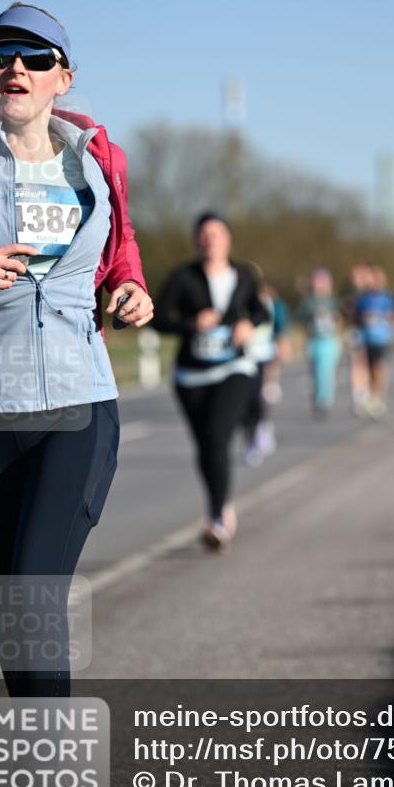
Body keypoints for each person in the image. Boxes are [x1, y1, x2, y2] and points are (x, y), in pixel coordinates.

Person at [0, 3, 153, 787]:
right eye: (0, 56)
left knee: (34, 589)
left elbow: (122, 247)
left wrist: (128, 288)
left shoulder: (97, 157)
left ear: (64, 77)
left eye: (33, 57)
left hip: (77, 403)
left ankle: (41, 783)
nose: (13, 69)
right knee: (8, 603)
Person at [151, 212, 270, 550]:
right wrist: (191, 323)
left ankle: (217, 518)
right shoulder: (183, 276)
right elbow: (157, 319)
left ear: (228, 239)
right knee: (206, 446)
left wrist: (248, 323)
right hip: (191, 375)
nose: (211, 239)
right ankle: (219, 503)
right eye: (204, 234)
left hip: (233, 368)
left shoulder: (244, 275)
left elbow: (263, 311)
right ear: (197, 241)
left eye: (217, 233)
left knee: (218, 436)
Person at [241, 280, 290, 466]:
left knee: (256, 398)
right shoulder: (237, 303)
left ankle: (260, 431)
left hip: (261, 356)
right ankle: (251, 434)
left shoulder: (268, 305)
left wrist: (282, 345)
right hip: (239, 359)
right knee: (241, 403)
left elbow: (277, 327)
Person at [297, 267, 343, 417]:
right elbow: (300, 319)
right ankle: (317, 398)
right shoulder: (308, 302)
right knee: (315, 372)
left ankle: (325, 401)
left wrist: (334, 318)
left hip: (329, 340)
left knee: (326, 370)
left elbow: (342, 319)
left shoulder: (334, 301)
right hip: (313, 339)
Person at [353, 264, 394, 418]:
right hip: (367, 337)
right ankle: (371, 395)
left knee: (379, 368)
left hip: (382, 338)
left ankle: (379, 398)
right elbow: (356, 317)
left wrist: (388, 321)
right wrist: (363, 318)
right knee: (368, 369)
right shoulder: (363, 298)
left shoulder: (387, 297)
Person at [342, 262, 373, 417]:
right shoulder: (351, 293)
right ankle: (358, 394)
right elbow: (344, 311)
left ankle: (367, 391)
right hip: (355, 330)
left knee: (368, 363)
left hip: (369, 332)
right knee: (356, 362)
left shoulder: (371, 292)